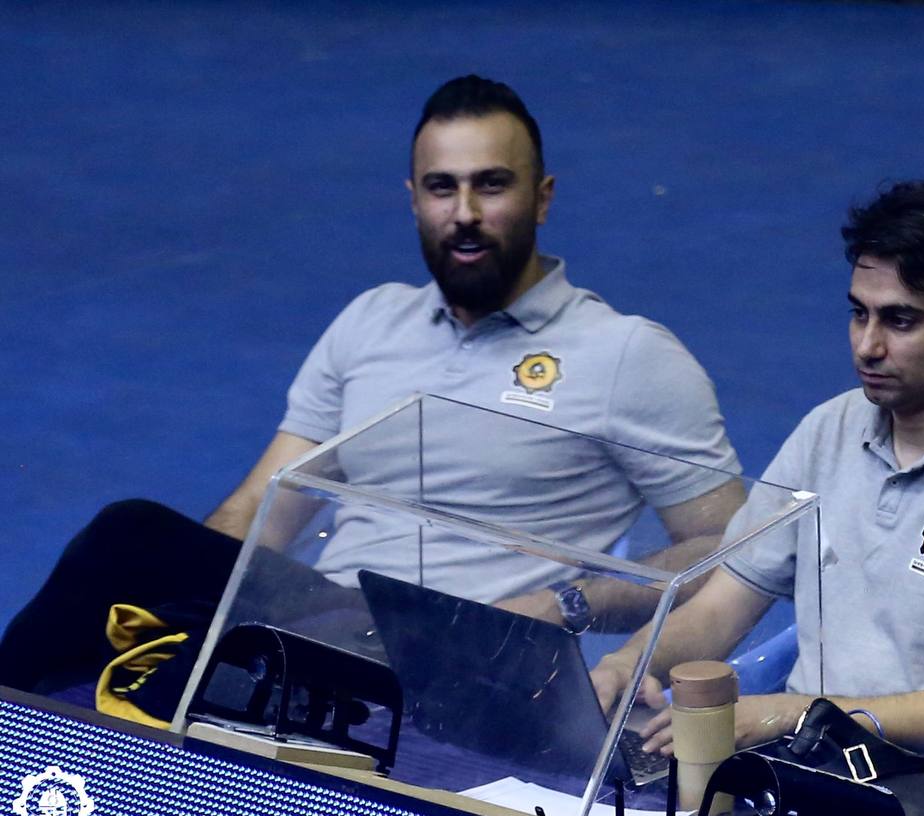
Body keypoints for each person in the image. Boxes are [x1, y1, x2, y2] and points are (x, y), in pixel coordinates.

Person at [0, 75, 744, 698]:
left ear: (543, 198)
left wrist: (567, 604)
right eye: (442, 188)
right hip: (329, 622)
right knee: (131, 561)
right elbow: (262, 507)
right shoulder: (371, 321)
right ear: (414, 199)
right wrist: (201, 596)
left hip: (470, 655)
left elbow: (726, 548)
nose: (465, 215)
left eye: (491, 185)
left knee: (152, 628)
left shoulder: (627, 354)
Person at [593, 181, 924, 754]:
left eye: (900, 321)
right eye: (859, 314)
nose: (867, 346)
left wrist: (788, 716)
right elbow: (721, 606)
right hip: (808, 759)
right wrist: (629, 662)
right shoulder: (831, 428)